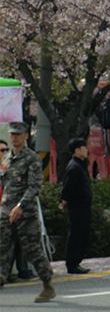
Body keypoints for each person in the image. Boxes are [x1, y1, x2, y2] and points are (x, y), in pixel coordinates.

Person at [0, 122, 55, 302]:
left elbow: (34, 187)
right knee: (2, 249)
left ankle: (47, 284)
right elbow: (5, 186)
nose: (14, 137)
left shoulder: (32, 159)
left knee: (32, 249)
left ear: (25, 136)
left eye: (18, 134)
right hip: (6, 212)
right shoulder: (6, 159)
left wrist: (20, 206)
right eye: (12, 134)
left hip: (25, 213)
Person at [59, 138, 92, 274]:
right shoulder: (74, 166)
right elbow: (68, 186)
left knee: (81, 233)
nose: (87, 150)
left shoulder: (80, 165)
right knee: (76, 234)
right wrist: (64, 199)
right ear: (77, 151)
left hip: (83, 205)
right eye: (84, 148)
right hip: (77, 205)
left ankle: (76, 261)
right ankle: (72, 264)